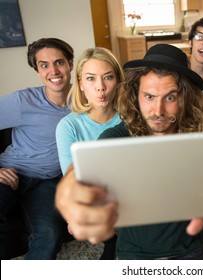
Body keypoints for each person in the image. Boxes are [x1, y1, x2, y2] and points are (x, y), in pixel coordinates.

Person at [55, 44, 203, 260]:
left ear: (184, 98)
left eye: (170, 97)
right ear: (135, 96)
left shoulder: (199, 136)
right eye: (149, 97)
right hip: (135, 255)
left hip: (189, 251)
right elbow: (81, 176)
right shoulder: (116, 138)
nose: (158, 111)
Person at [0, 38, 73, 259]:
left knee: (49, 235)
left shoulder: (84, 101)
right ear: (37, 70)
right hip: (10, 173)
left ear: (70, 63)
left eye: (59, 62)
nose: (53, 71)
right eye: (44, 65)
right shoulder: (22, 101)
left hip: (46, 181)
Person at [56, 47, 124, 259]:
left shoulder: (131, 118)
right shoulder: (68, 126)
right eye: (91, 79)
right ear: (81, 84)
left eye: (108, 77)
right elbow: (73, 179)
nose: (100, 87)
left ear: (118, 81)